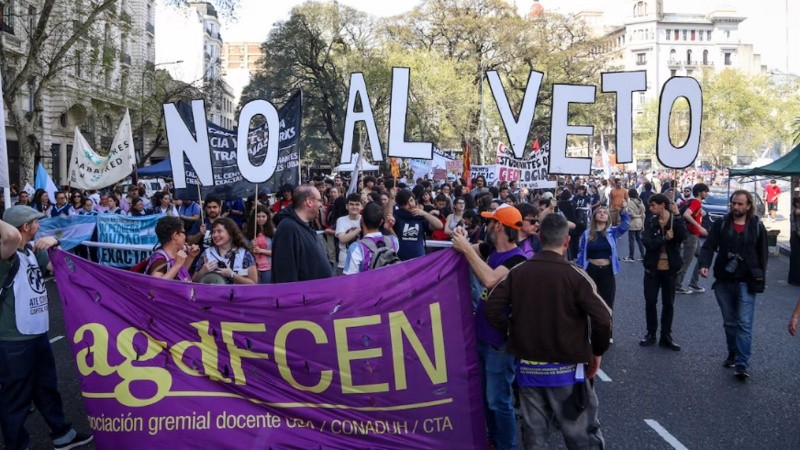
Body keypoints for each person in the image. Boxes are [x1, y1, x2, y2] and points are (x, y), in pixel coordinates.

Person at [485, 213, 611, 449]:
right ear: (567, 241)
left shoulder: (518, 271)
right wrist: (597, 351)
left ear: (540, 238)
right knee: (582, 436)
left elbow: (492, 306)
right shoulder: (576, 275)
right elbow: (603, 318)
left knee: (534, 437)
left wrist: (512, 333)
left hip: (529, 367)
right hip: (568, 368)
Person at [0, 207, 94, 450]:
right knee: (15, 398)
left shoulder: (32, 252)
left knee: (47, 388)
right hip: (13, 339)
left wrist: (56, 243)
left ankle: (63, 435)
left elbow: (62, 268)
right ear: (25, 226)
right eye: (35, 222)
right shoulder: (5, 254)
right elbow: (10, 236)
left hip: (37, 333)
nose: (39, 225)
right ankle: (16, 446)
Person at [452, 204, 527, 450]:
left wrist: (466, 248)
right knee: (486, 397)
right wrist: (462, 238)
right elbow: (462, 249)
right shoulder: (492, 249)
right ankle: (493, 441)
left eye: (490, 222)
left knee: (498, 400)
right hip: (482, 336)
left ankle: (506, 446)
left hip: (499, 343)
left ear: (499, 227)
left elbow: (490, 279)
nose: (487, 227)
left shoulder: (518, 259)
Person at [698, 190, 768, 380]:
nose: (736, 207)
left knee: (744, 323)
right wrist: (704, 265)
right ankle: (733, 352)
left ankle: (742, 363)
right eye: (734, 203)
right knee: (729, 322)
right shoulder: (721, 224)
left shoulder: (757, 226)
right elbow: (709, 246)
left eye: (740, 204)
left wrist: (761, 280)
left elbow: (763, 255)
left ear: (748, 206)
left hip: (747, 280)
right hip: (724, 280)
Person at [639, 194, 687, 351]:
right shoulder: (650, 222)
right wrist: (664, 239)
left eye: (653, 205)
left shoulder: (674, 220)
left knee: (668, 304)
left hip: (670, 270)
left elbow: (683, 236)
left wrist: (678, 215)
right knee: (650, 302)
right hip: (652, 269)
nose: (650, 208)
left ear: (662, 205)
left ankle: (666, 336)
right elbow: (648, 243)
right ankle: (650, 334)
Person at [576, 206, 629, 335]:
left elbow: (625, 225)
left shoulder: (612, 232)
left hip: (607, 271)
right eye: (599, 212)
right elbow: (581, 253)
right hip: (591, 270)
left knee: (607, 302)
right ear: (594, 216)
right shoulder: (587, 234)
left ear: (608, 217)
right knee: (589, 301)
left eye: (605, 212)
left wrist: (623, 212)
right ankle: (588, 332)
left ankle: (607, 332)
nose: (602, 214)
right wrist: (579, 271)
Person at [272, 185, 333, 283]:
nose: (321, 205)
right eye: (319, 200)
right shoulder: (288, 229)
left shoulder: (306, 225)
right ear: (309, 201)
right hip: (305, 292)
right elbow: (286, 274)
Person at [192, 218, 258, 285]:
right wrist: (203, 271)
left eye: (219, 231)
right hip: (212, 292)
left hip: (236, 292)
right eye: (213, 232)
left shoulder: (244, 254)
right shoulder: (207, 253)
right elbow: (194, 281)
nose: (215, 235)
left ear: (230, 233)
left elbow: (253, 284)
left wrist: (232, 275)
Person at [343, 202, 398, 275]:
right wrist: (389, 228)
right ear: (381, 222)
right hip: (390, 281)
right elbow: (396, 239)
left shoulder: (356, 248)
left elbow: (349, 278)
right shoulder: (392, 241)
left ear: (361, 220)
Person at [675, 183, 710, 294]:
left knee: (701, 258)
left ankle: (693, 283)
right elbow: (686, 214)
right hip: (691, 235)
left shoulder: (691, 201)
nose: (707, 194)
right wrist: (699, 227)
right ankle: (677, 285)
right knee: (686, 261)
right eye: (705, 191)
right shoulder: (696, 202)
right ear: (700, 192)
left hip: (693, 235)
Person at [392, 189, 443, 261]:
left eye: (411, 200)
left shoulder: (421, 216)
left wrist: (425, 213)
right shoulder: (397, 215)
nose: (410, 204)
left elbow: (440, 226)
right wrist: (391, 199)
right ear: (401, 205)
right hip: (400, 260)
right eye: (406, 203)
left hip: (418, 260)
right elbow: (387, 218)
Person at [147, 216, 200, 282]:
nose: (185, 236)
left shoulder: (173, 254)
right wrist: (177, 265)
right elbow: (156, 284)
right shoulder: (160, 260)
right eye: (183, 232)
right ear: (175, 235)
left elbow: (178, 273)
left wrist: (191, 256)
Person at [244, 205, 275, 284]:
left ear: (268, 217)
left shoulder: (273, 232)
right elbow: (244, 250)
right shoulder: (248, 232)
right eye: (258, 216)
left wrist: (260, 250)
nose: (261, 219)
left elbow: (277, 252)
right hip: (252, 267)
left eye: (263, 216)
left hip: (268, 267)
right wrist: (250, 246)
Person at [334, 193, 363, 275]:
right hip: (344, 262)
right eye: (351, 204)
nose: (354, 207)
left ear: (361, 206)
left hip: (361, 261)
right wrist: (361, 227)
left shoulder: (365, 219)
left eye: (357, 204)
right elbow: (342, 239)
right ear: (346, 206)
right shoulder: (341, 220)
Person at [622, 188, 646, 262]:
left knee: (631, 240)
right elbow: (643, 214)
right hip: (640, 222)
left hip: (632, 222)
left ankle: (631, 256)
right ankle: (643, 255)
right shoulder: (640, 202)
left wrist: (637, 216)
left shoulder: (630, 203)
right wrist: (643, 224)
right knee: (639, 239)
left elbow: (631, 214)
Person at [789, 197, 800, 286]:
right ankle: (795, 279)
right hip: (796, 237)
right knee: (796, 258)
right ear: (797, 203)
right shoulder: (795, 211)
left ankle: (794, 278)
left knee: (795, 258)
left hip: (796, 236)